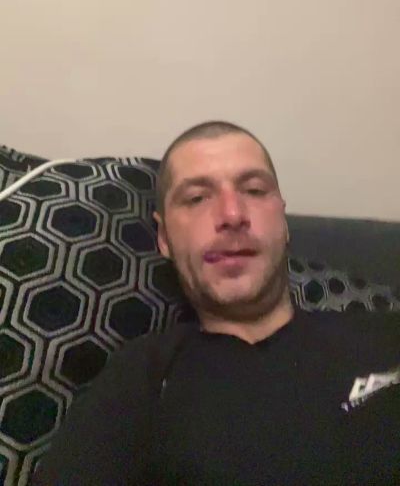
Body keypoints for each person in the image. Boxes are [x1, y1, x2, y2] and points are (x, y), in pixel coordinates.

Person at [33, 121, 400, 485]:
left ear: (283, 222)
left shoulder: (384, 332)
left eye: (254, 190)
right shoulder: (140, 381)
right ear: (164, 238)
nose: (232, 215)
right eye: (196, 198)